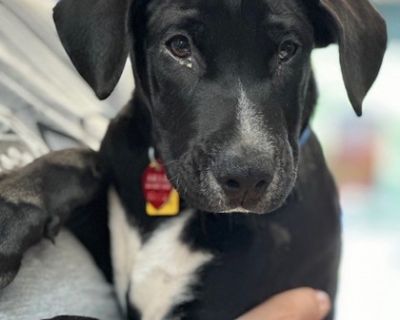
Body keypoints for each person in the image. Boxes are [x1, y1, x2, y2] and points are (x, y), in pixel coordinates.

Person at [0, 1, 331, 320]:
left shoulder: (300, 220)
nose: (245, 153)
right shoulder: (127, 144)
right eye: (181, 46)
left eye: (285, 50)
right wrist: (49, 181)